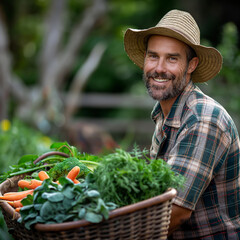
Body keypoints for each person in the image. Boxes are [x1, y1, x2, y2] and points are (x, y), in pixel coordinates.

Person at [124, 9, 240, 239]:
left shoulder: (202, 118)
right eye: (153, 56)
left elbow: (174, 212)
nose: (159, 68)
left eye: (172, 58)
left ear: (191, 65)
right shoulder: (165, 114)